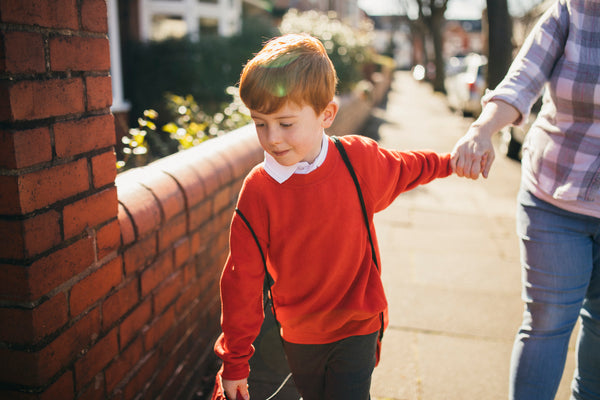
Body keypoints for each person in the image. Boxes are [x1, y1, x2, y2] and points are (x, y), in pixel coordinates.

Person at [211, 33, 455, 400]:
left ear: (326, 114)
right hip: (298, 334)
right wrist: (235, 362)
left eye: (286, 123)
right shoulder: (259, 190)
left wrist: (453, 163)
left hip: (359, 325)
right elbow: (241, 282)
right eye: (260, 123)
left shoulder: (359, 160)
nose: (272, 138)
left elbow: (409, 166)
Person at [451, 1, 600, 399]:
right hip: (555, 194)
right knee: (548, 322)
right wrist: (482, 130)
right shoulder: (573, 11)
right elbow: (522, 79)